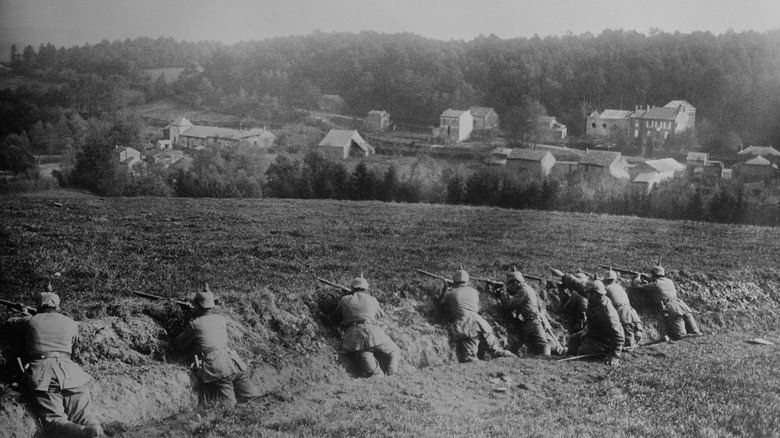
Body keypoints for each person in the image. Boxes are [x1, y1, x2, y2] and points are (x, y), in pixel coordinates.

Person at [7, 290, 105, 437]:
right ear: (58, 307)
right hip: (71, 373)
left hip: (44, 374)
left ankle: (85, 432)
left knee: (54, 421)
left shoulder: (30, 321)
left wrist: (24, 313)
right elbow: (74, 346)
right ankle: (95, 429)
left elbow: (10, 322)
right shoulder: (71, 323)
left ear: (39, 306)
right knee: (84, 416)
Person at [175, 286, 260, 405]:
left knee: (229, 408)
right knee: (254, 400)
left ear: (197, 306)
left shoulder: (195, 324)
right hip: (234, 364)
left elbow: (177, 345)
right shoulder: (221, 319)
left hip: (219, 369)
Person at [439, 267, 515, 362]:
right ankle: (515, 359)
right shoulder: (473, 291)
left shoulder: (451, 294)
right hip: (481, 323)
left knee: (469, 358)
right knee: (496, 350)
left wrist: (445, 288)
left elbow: (440, 304)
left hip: (467, 326)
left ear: (454, 281)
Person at [333, 275, 401, 377]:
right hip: (372, 334)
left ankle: (381, 377)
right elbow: (379, 315)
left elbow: (336, 317)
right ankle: (392, 374)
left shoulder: (344, 300)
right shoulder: (372, 299)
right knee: (394, 351)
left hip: (354, 338)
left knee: (373, 373)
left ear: (352, 288)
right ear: (366, 289)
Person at [497, 270, 560, 356]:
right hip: (529, 321)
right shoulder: (526, 289)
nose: (510, 286)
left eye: (510, 284)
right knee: (534, 346)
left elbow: (508, 305)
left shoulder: (524, 291)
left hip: (532, 321)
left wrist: (502, 293)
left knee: (543, 344)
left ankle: (547, 360)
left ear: (515, 282)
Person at [632, 266, 702, 341]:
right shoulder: (669, 281)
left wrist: (637, 277)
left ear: (654, 275)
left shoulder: (656, 284)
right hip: (682, 305)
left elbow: (636, 286)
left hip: (673, 309)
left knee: (681, 337)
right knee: (696, 333)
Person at [567, 280, 624, 367]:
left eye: (588, 293)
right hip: (591, 332)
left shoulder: (608, 314)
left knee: (582, 351)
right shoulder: (595, 299)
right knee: (573, 340)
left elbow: (618, 335)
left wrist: (615, 357)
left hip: (603, 340)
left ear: (594, 294)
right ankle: (568, 359)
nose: (586, 295)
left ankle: (575, 365)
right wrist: (566, 277)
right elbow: (578, 286)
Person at [603, 269, 644, 348]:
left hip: (622, 312)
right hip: (631, 311)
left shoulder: (606, 288)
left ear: (605, 280)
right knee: (633, 331)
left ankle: (629, 347)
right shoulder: (619, 287)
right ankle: (634, 343)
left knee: (627, 336)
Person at [551, 270, 589, 334]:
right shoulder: (588, 293)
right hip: (587, 323)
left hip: (578, 324)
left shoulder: (576, 294)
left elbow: (566, 310)